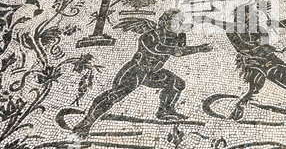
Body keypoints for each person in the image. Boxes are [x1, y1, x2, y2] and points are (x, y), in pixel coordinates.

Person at [73, 10, 212, 138]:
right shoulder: (150, 36)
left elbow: (179, 50)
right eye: (178, 21)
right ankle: (85, 124)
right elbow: (162, 49)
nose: (181, 23)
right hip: (136, 71)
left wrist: (181, 33)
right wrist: (198, 48)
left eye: (182, 21)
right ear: (165, 22)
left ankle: (165, 111)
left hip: (152, 73)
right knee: (114, 95)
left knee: (177, 83)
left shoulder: (174, 36)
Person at [197, 1, 286, 120]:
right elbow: (221, 25)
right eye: (247, 15)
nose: (250, 18)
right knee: (257, 85)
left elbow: (264, 45)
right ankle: (241, 105)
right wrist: (208, 19)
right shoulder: (234, 28)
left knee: (283, 79)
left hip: (263, 58)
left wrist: (273, 49)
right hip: (252, 60)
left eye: (251, 15)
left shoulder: (257, 29)